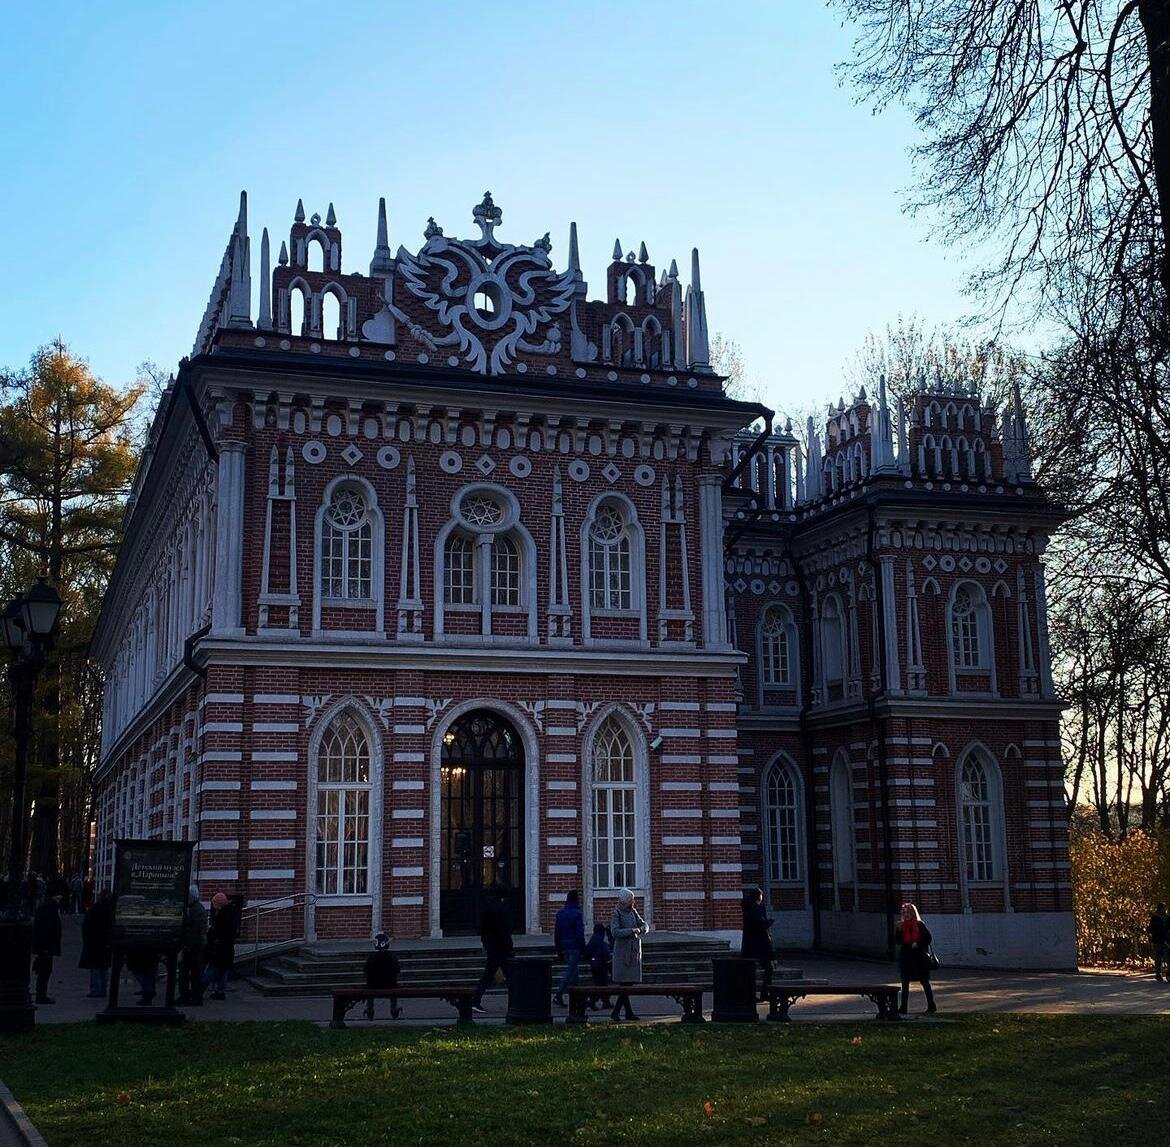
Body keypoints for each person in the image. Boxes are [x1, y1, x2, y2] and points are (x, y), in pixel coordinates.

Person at [472, 888, 514, 1013]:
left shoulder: (486, 908)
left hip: (492, 946)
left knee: (495, 975)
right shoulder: (500, 910)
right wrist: (509, 948)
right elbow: (504, 931)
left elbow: (481, 929)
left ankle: (515, 1002)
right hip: (501, 948)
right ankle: (515, 1003)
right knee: (506, 976)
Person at [609, 888, 648, 1022]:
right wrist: (631, 931)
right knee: (625, 984)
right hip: (622, 952)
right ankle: (621, 1013)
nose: (633, 902)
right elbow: (615, 932)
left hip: (633, 952)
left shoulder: (633, 911)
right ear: (625, 901)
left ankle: (624, 1013)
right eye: (631, 900)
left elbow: (644, 924)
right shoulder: (617, 913)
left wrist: (643, 929)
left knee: (627, 984)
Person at [894, 902, 937, 1015]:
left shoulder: (919, 925)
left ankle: (931, 1005)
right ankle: (903, 1007)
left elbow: (927, 939)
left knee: (925, 982)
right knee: (905, 983)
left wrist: (918, 943)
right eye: (904, 913)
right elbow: (898, 941)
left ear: (913, 913)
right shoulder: (900, 926)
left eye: (909, 912)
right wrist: (906, 942)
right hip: (906, 958)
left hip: (919, 958)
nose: (906, 915)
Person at [740, 887, 776, 1001]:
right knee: (768, 969)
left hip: (750, 945)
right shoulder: (756, 909)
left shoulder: (748, 908)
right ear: (758, 896)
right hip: (760, 945)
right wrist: (769, 922)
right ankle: (763, 993)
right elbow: (761, 925)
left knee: (750, 971)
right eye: (761, 895)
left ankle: (752, 994)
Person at [79, 888, 114, 998]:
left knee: (95, 967)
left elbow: (86, 926)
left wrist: (87, 939)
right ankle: (103, 989)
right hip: (106, 942)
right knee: (104, 967)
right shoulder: (111, 910)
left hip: (94, 942)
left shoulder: (94, 909)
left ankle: (95, 989)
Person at [553, 890, 586, 1007]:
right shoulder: (577, 914)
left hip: (564, 945)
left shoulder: (560, 913)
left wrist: (558, 948)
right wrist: (583, 948)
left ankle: (576, 998)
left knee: (574, 973)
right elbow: (579, 933)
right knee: (570, 971)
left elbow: (557, 933)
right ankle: (559, 994)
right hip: (574, 946)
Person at [203, 891, 236, 1000]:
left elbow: (218, 932)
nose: (213, 906)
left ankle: (199, 989)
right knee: (223, 970)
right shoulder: (229, 913)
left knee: (212, 969)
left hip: (220, 948)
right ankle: (220, 991)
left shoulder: (222, 915)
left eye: (214, 904)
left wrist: (212, 939)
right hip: (226, 949)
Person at [178, 885, 207, 1006]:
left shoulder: (197, 910)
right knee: (187, 973)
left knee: (194, 973)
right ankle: (187, 995)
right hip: (192, 946)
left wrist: (188, 944)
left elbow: (197, 930)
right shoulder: (194, 908)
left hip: (195, 947)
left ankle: (194, 997)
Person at [363, 932, 403, 1020]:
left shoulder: (371, 957)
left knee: (369, 987)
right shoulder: (392, 956)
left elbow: (366, 971)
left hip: (373, 986)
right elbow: (397, 970)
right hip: (390, 985)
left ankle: (370, 1009)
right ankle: (393, 1008)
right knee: (394, 987)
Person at [32, 892, 62, 1004]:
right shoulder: (49, 909)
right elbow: (46, 929)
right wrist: (45, 947)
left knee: (44, 971)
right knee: (44, 971)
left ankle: (41, 994)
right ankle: (41, 995)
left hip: (45, 946)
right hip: (46, 947)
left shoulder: (46, 908)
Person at [585, 922, 613, 1010]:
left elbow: (587, 951)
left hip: (594, 965)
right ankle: (595, 1001)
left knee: (599, 984)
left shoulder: (593, 940)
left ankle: (604, 1001)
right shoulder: (601, 942)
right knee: (602, 984)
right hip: (601, 965)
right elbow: (606, 953)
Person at [1150, 902, 1170, 982]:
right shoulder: (1155, 918)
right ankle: (1158, 974)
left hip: (1166, 940)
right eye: (1163, 908)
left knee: (1167, 957)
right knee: (1158, 958)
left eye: (1165, 908)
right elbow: (1151, 929)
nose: (1164, 910)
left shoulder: (1167, 918)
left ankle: (1168, 973)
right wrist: (1157, 934)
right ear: (1159, 909)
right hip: (1158, 940)